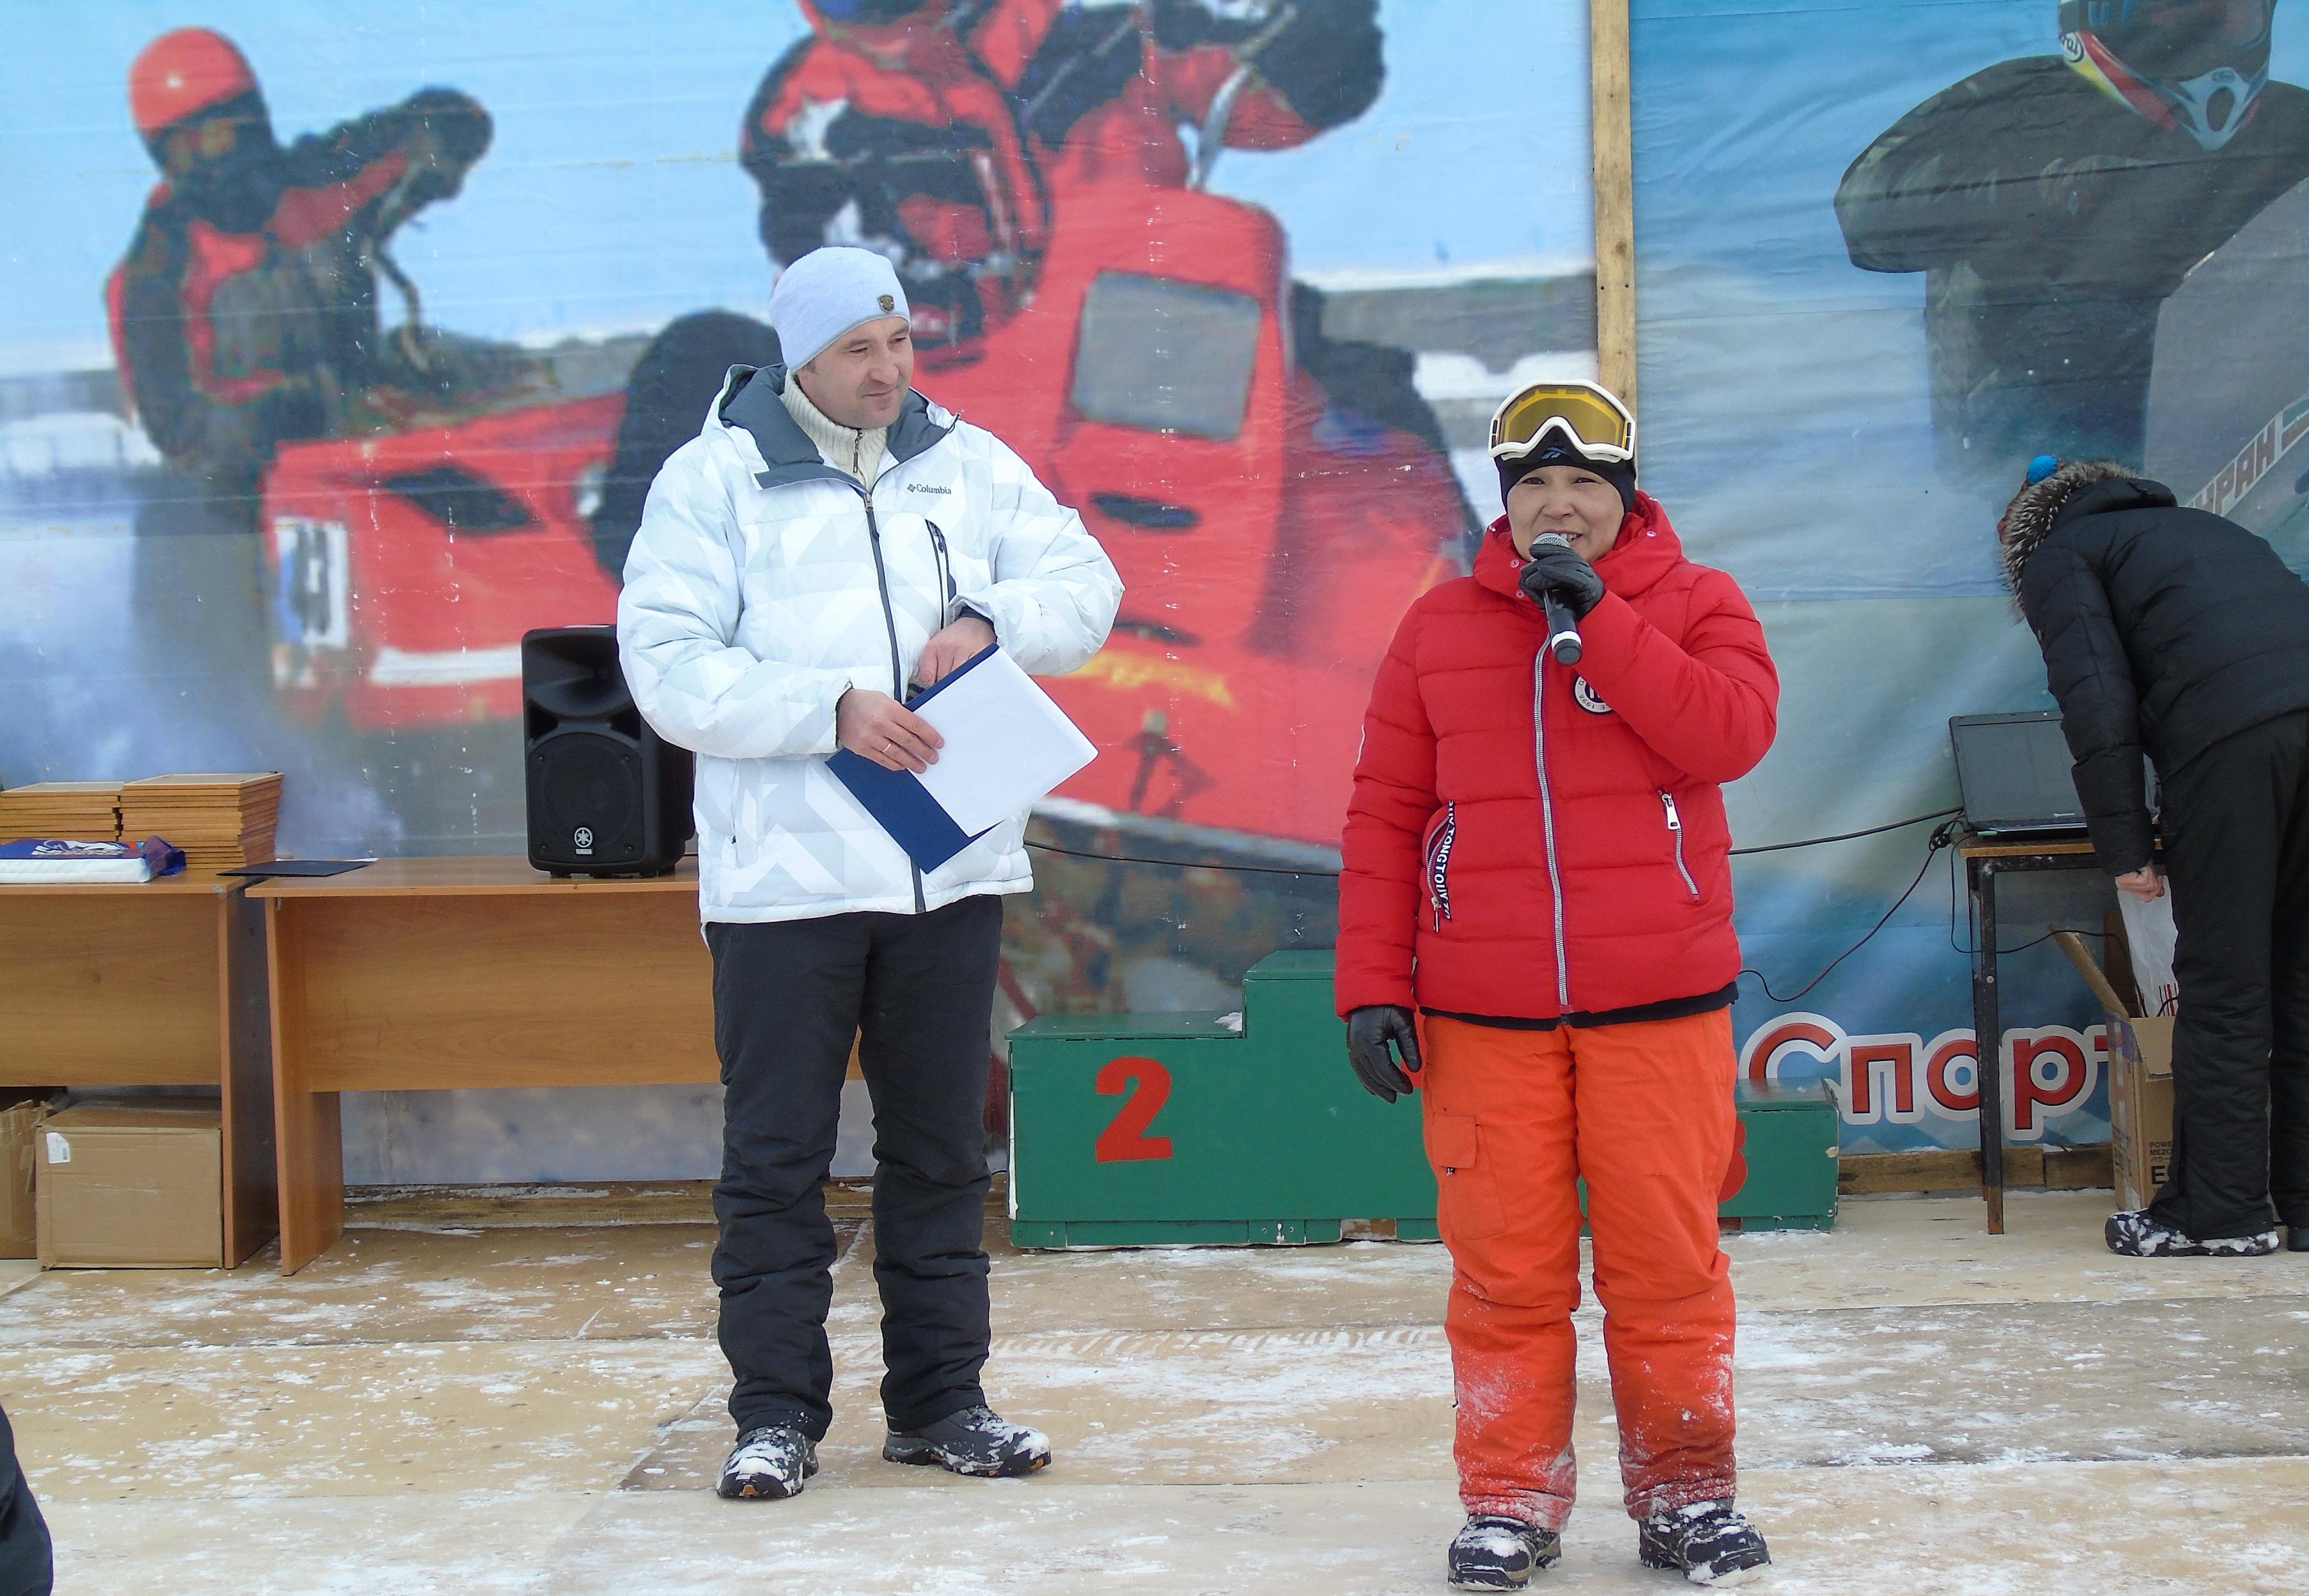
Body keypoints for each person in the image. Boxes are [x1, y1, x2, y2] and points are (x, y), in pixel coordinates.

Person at [617, 246, 1122, 1499]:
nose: (888, 369)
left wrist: (995, 617)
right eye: (858, 348)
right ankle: (774, 1414)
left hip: (945, 873)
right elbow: (666, 666)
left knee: (941, 1151)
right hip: (783, 889)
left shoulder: (968, 462)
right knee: (776, 1159)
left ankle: (941, 1401)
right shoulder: (712, 481)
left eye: (899, 341)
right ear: (800, 355)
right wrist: (827, 708)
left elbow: (1087, 584)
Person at [1335, 381, 1780, 1590]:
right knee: (1504, 1276)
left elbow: (1730, 735)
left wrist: (1603, 620)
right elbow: (1384, 810)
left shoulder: (1697, 602)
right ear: (1504, 502)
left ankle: (1685, 1492)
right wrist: (1371, 978)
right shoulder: (1436, 626)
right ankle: (1509, 1500)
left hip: (1659, 1007)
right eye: (1533, 483)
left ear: (1626, 497)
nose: (1559, 504)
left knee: (1666, 1267)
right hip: (1482, 1014)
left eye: (1584, 481)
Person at [2000, 453, 2309, 1257]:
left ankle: (2220, 1217)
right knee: (2302, 980)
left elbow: (2096, 702)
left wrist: (2125, 845)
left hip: (2231, 746)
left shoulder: (2062, 556)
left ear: (2026, 532)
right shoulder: (2207, 529)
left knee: (2226, 983)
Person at [1835, 1, 2309, 484]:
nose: (2202, 38)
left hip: (2245, 426)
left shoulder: (2294, 127)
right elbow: (1866, 215)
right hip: (2046, 448)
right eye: (2173, 12)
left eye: (2230, 13)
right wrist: (2035, 192)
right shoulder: (2015, 102)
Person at [106, 26, 494, 492]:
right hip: (251, 498)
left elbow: (407, 139)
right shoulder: (155, 274)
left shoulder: (315, 185)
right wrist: (310, 407)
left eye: (227, 132)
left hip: (376, 455)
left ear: (255, 120)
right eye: (192, 147)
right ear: (163, 158)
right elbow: (179, 429)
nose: (218, 158)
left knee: (460, 363)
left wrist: (440, 130)